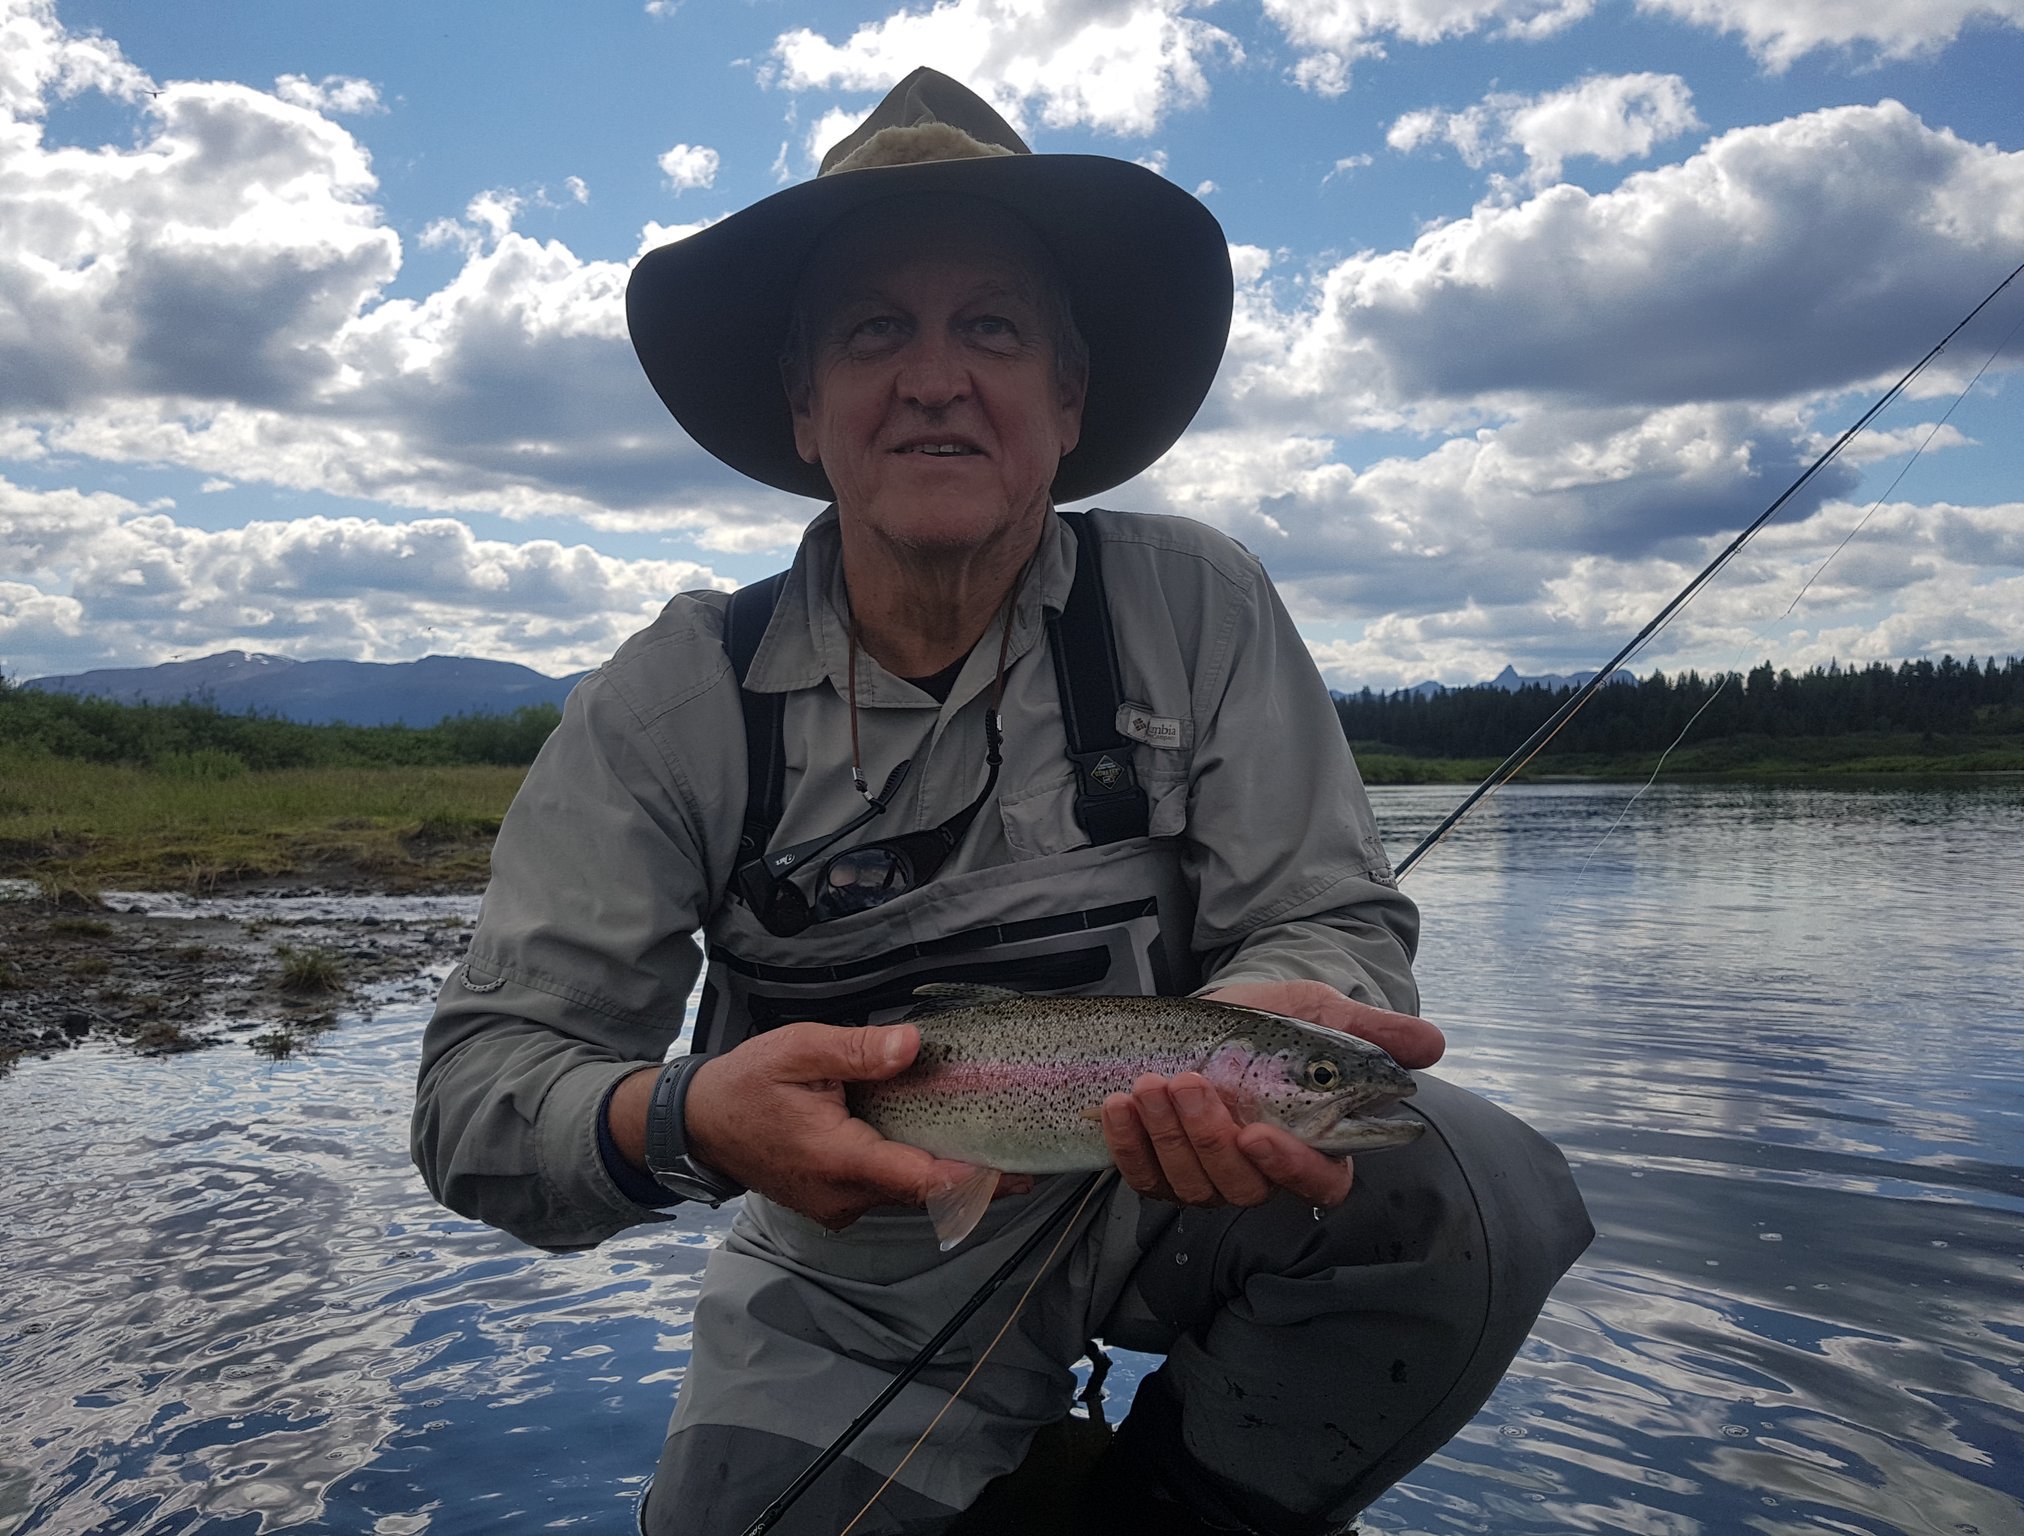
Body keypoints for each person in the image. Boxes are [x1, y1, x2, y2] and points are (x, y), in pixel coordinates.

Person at [412, 68, 1593, 1536]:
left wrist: (1267, 1017)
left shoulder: (1199, 605)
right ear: (804, 405)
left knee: (1473, 1196)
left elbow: (1331, 916)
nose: (934, 377)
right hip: (848, 1285)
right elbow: (474, 1096)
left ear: (1067, 396)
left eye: (991, 327)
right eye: (874, 331)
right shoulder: (671, 704)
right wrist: (695, 1119)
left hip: (1177, 1203)